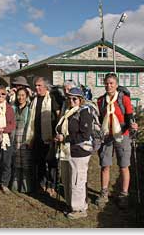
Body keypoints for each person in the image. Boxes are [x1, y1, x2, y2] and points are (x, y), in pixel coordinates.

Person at [95, 72, 138, 209]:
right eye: (107, 83)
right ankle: (104, 193)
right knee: (105, 164)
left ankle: (124, 194)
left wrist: (133, 125)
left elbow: (130, 116)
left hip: (122, 134)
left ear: (116, 85)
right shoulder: (101, 101)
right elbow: (101, 119)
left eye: (111, 83)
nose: (109, 86)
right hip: (107, 135)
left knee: (124, 166)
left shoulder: (123, 99)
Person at [55, 87, 93, 219]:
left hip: (80, 152)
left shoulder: (84, 113)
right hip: (67, 151)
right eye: (69, 98)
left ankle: (79, 209)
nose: (71, 100)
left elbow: (85, 135)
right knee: (67, 178)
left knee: (77, 180)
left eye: (74, 98)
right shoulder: (68, 112)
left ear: (81, 100)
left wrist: (64, 138)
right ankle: (71, 204)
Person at [25, 77, 60, 196]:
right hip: (37, 137)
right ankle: (42, 184)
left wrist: (57, 133)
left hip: (50, 136)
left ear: (45, 86)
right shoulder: (35, 100)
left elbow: (58, 115)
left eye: (39, 85)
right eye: (35, 85)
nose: (37, 88)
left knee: (51, 163)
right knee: (39, 162)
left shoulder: (52, 99)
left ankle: (52, 185)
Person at [10, 87, 34, 193]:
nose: (20, 97)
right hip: (14, 138)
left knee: (25, 164)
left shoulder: (30, 109)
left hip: (25, 139)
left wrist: (30, 140)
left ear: (26, 96)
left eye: (23, 95)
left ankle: (25, 187)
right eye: (19, 95)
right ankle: (15, 186)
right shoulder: (13, 108)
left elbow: (31, 126)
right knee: (15, 162)